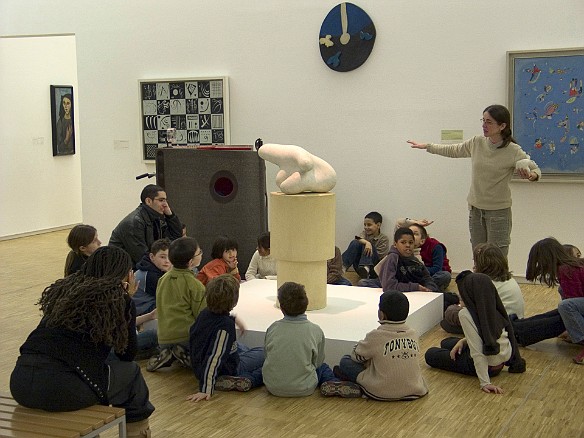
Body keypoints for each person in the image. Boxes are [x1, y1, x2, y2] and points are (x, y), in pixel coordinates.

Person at [10, 246, 154, 437]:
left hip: (20, 383)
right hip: (62, 389)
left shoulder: (63, 292)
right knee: (131, 374)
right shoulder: (118, 298)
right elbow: (127, 354)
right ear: (127, 275)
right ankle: (137, 433)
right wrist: (128, 299)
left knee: (92, 371)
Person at [408, 104, 541, 257]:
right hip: (475, 209)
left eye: (489, 122)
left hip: (498, 212)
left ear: (502, 125)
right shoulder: (477, 142)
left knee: (497, 256)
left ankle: (497, 282)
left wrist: (532, 176)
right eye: (483, 121)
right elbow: (453, 150)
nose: (484, 126)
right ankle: (479, 282)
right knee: (478, 254)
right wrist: (428, 146)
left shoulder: (513, 150)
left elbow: (536, 169)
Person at [425, 271, 526, 394]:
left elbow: (477, 351)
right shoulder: (492, 305)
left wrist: (485, 382)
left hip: (487, 367)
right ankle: (461, 345)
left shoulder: (465, 314)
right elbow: (491, 334)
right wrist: (464, 340)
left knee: (430, 354)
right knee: (446, 342)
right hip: (500, 359)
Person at [262, 282, 361, 398]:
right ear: (306, 304)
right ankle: (332, 382)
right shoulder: (315, 330)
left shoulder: (273, 328)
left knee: (267, 366)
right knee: (323, 368)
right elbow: (318, 362)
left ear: (282, 307)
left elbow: (267, 355)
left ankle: (250, 379)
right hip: (305, 387)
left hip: (272, 387)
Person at [332, 291, 428, 400]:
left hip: (382, 391)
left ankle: (352, 383)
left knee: (345, 361)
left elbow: (356, 356)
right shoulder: (413, 333)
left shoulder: (376, 335)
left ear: (381, 314)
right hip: (416, 389)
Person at [187, 275, 264, 402]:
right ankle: (243, 379)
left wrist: (234, 319)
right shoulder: (225, 326)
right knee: (266, 352)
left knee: (243, 347)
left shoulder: (205, 313)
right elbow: (214, 358)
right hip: (227, 367)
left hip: (200, 361)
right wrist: (205, 389)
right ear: (234, 301)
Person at [514, 238, 584, 364]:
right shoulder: (568, 268)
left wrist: (571, 328)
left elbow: (572, 309)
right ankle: (517, 327)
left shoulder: (567, 270)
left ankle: (517, 331)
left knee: (565, 307)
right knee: (561, 310)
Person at [147, 237, 206, 372]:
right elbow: (201, 315)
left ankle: (170, 353)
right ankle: (188, 356)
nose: (202, 254)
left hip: (163, 337)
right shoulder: (194, 285)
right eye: (199, 252)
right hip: (186, 337)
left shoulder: (163, 279)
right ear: (191, 262)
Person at [442, 243, 525, 334]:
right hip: (512, 319)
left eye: (476, 262)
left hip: (499, 325)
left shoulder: (485, 283)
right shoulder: (508, 278)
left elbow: (465, 305)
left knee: (450, 313)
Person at [109, 184, 183, 265]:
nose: (165, 204)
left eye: (165, 200)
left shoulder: (156, 219)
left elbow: (175, 238)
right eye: (161, 200)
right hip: (122, 271)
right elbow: (141, 257)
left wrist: (170, 215)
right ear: (148, 201)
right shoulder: (134, 222)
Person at [373, 227, 439, 293]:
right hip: (398, 292)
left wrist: (430, 289)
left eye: (410, 242)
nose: (407, 245)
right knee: (366, 283)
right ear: (395, 244)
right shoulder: (393, 257)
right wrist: (415, 287)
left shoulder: (415, 260)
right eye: (403, 242)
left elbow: (426, 277)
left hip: (416, 292)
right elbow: (389, 287)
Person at [342, 211, 390, 279]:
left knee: (368, 245)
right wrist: (367, 243)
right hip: (360, 267)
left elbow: (380, 258)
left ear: (378, 225)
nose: (366, 227)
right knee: (356, 242)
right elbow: (357, 238)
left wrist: (369, 245)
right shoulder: (364, 233)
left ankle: (366, 267)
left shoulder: (383, 238)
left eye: (369, 225)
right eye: (365, 225)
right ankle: (343, 267)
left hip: (374, 268)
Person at [132, 238, 172, 316]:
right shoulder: (149, 276)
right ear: (152, 257)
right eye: (162, 257)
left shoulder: (153, 269)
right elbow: (168, 296)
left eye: (170, 257)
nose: (167, 261)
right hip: (142, 310)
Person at [408, 222, 452, 291]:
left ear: (422, 240)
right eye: (409, 233)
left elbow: (437, 268)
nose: (411, 236)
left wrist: (419, 270)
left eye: (415, 234)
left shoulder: (436, 246)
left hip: (432, 275)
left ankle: (425, 287)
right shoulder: (405, 247)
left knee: (445, 275)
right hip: (416, 276)